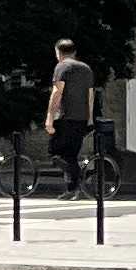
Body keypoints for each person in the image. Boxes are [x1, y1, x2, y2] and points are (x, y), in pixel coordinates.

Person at [42, 36, 96, 187]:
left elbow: (57, 92)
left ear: (58, 52)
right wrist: (90, 118)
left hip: (65, 117)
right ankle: (72, 189)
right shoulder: (86, 69)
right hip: (82, 118)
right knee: (70, 155)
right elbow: (90, 95)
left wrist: (49, 117)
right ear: (75, 52)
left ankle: (78, 176)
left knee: (54, 153)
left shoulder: (62, 67)